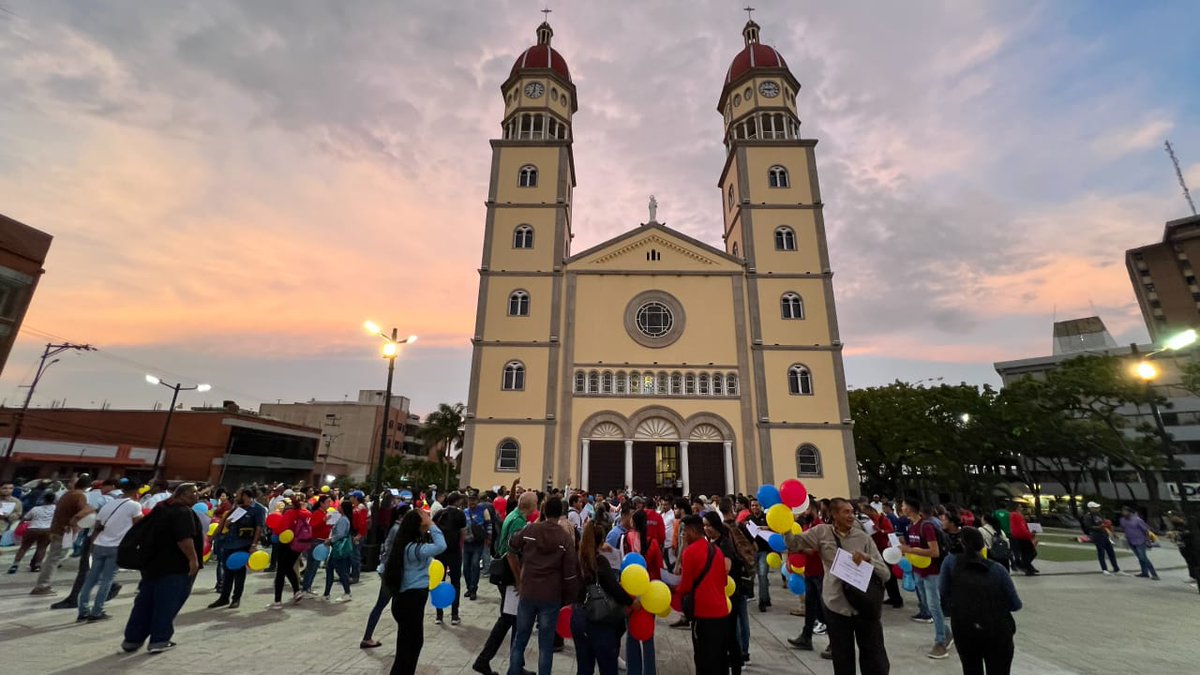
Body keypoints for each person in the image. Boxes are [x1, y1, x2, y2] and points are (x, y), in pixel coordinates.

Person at [786, 497, 891, 674]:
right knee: (842, 659)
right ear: (834, 514)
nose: (851, 516)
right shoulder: (821, 532)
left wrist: (867, 559)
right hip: (836, 605)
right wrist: (785, 525)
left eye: (852, 512)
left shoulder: (863, 538)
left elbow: (885, 573)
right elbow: (794, 544)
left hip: (863, 606)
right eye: (846, 512)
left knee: (874, 658)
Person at [120, 483, 203, 654]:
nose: (197, 495)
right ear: (183, 494)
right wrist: (193, 560)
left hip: (152, 564)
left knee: (145, 602)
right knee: (167, 604)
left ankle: (132, 639)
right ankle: (159, 639)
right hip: (175, 566)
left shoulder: (161, 508)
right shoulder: (182, 512)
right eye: (194, 492)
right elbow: (184, 539)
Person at [506, 496, 579, 675]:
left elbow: (512, 544)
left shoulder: (531, 529)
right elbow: (570, 572)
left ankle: (514, 672)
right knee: (546, 645)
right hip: (551, 594)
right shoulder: (564, 537)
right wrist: (570, 598)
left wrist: (519, 575)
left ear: (544, 511)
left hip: (528, 590)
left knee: (520, 639)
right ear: (561, 513)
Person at [940, 527, 1022, 675]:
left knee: (971, 668)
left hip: (964, 628)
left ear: (961, 543)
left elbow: (943, 594)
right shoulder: (997, 569)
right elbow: (1015, 604)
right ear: (983, 545)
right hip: (997, 631)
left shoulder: (950, 563)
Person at [474, 490, 538, 675]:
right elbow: (512, 553)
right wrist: (519, 581)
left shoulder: (514, 515)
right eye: (535, 502)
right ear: (530, 506)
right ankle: (489, 661)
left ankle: (513, 664)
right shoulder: (518, 521)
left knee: (511, 620)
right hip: (510, 578)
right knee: (510, 620)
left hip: (508, 576)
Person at [381, 508, 446, 675]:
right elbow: (441, 545)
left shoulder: (408, 545)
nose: (428, 516)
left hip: (405, 600)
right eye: (424, 516)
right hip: (411, 601)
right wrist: (432, 524)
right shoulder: (414, 548)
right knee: (411, 647)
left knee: (407, 647)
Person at [572, 520, 633, 675]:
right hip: (599, 620)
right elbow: (614, 589)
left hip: (579, 616)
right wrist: (631, 601)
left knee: (584, 667)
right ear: (600, 541)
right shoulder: (599, 561)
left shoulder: (578, 558)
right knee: (608, 668)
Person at [676, 514, 730, 675]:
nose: (683, 536)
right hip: (721, 612)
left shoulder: (690, 552)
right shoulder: (716, 550)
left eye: (684, 532)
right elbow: (724, 582)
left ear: (692, 531)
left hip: (703, 613)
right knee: (720, 659)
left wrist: (671, 587)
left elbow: (685, 587)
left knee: (703, 659)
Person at [901, 499, 951, 659]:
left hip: (931, 572)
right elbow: (914, 548)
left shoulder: (926, 526)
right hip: (917, 570)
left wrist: (909, 549)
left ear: (910, 508)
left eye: (903, 505)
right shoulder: (911, 527)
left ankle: (940, 641)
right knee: (928, 604)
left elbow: (934, 551)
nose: (901, 508)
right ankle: (946, 632)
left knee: (934, 606)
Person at [362, 501, 413, 648]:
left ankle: (368, 637)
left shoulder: (395, 527)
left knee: (386, 606)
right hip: (392, 572)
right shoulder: (399, 530)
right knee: (393, 607)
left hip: (388, 570)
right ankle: (368, 637)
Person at [29, 476, 92, 595]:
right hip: (65, 531)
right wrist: (90, 510)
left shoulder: (67, 494)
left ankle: (43, 584)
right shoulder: (80, 496)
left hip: (57, 529)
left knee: (53, 558)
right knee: (54, 558)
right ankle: (43, 585)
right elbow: (82, 512)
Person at [702, 511, 746, 673]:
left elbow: (726, 568)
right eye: (704, 525)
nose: (706, 528)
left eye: (709, 525)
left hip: (729, 594)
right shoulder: (711, 541)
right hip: (718, 594)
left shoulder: (724, 544)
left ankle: (736, 666)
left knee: (730, 634)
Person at [209, 488, 265, 609]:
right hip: (229, 543)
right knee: (227, 572)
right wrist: (227, 524)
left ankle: (236, 598)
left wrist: (254, 545)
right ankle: (224, 598)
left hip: (243, 544)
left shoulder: (258, 509)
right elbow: (228, 524)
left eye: (239, 495)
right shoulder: (237, 508)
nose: (236, 497)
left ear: (246, 496)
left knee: (239, 573)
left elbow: (259, 527)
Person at [624, 509, 663, 675]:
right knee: (648, 635)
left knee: (632, 633)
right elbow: (659, 567)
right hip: (649, 593)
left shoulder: (627, 539)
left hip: (630, 592)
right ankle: (649, 671)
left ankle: (633, 671)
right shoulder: (653, 542)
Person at [433, 491, 468, 625]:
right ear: (457, 501)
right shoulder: (460, 514)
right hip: (454, 551)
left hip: (440, 551)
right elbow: (463, 533)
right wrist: (461, 548)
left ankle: (439, 615)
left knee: (438, 582)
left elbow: (433, 529)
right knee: (455, 582)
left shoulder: (440, 513)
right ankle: (454, 615)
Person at [268, 497, 309, 609]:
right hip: (299, 545)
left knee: (281, 571)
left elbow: (280, 530)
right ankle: (296, 591)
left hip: (286, 544)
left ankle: (277, 601)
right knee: (288, 568)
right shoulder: (303, 513)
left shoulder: (289, 514)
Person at [11, 491, 55, 573]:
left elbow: (25, 518)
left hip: (33, 529)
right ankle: (38, 565)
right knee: (41, 548)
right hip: (47, 530)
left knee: (24, 548)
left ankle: (15, 565)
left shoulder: (36, 509)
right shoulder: (56, 509)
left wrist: (18, 527)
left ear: (43, 499)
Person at [464, 492, 494, 601]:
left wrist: (489, 538)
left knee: (475, 564)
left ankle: (473, 589)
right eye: (469, 500)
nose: (471, 502)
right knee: (466, 567)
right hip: (467, 543)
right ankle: (468, 587)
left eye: (473, 500)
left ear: (477, 501)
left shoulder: (483, 510)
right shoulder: (465, 512)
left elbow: (489, 524)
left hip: (478, 543)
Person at [324, 500, 355, 602]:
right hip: (338, 549)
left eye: (341, 506)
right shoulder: (344, 519)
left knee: (340, 571)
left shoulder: (343, 520)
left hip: (339, 549)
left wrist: (330, 540)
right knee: (331, 569)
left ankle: (347, 592)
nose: (338, 507)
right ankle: (327, 593)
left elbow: (340, 534)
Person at [302, 494, 334, 594]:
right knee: (312, 566)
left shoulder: (325, 513)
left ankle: (308, 587)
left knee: (315, 566)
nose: (329, 504)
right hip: (316, 541)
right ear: (321, 503)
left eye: (330, 502)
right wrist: (323, 521)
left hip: (323, 541)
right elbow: (312, 526)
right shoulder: (317, 513)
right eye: (328, 502)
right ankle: (305, 588)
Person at [747, 499, 774, 612]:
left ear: (760, 506)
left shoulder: (767, 517)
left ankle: (762, 601)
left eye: (756, 505)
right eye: (752, 506)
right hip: (753, 551)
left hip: (764, 550)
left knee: (762, 575)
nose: (754, 507)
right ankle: (765, 597)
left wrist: (765, 528)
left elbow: (774, 529)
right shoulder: (749, 519)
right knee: (752, 576)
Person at [1119, 507, 1158, 580]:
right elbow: (1124, 529)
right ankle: (1144, 573)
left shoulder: (1137, 520)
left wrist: (1148, 540)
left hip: (1140, 541)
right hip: (1131, 541)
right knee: (1140, 558)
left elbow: (1146, 530)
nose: (1124, 513)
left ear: (1130, 512)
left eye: (1125, 511)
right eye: (1123, 512)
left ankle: (1154, 574)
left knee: (1143, 557)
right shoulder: (1122, 520)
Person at [1082, 502, 1120, 575]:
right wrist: (1099, 527)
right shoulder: (1088, 516)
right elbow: (1088, 527)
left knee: (1111, 552)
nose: (1098, 509)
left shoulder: (1099, 515)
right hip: (1096, 535)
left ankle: (1116, 569)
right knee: (1101, 552)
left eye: (1097, 507)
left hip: (1104, 534)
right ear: (1091, 508)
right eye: (1095, 508)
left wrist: (1113, 533)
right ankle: (1104, 569)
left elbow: (1106, 524)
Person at [1007, 509, 1038, 576]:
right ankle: (1024, 566)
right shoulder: (1018, 517)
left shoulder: (1014, 518)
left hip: (1018, 537)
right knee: (1031, 553)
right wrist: (1030, 534)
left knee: (1025, 554)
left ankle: (1028, 567)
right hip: (1024, 538)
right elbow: (1022, 529)